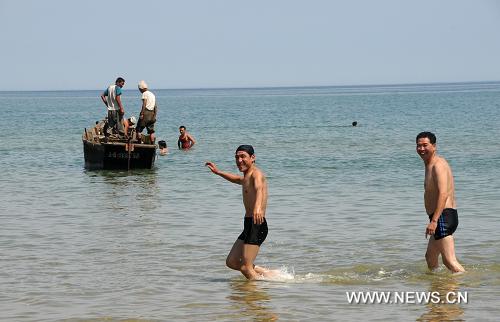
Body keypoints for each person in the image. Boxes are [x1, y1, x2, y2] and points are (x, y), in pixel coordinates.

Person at [205, 145, 273, 280]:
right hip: (248, 224)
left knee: (245, 267)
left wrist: (258, 208)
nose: (239, 160)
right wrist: (218, 172)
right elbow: (237, 179)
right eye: (237, 157)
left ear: (253, 158)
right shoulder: (246, 177)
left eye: (243, 157)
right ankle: (265, 274)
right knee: (232, 262)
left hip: (257, 224)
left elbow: (259, 189)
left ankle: (255, 296)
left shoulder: (256, 174)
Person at [416, 131, 465, 273]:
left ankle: (469, 287)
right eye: (419, 146)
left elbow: (444, 194)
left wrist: (434, 221)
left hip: (443, 216)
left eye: (425, 145)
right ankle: (439, 287)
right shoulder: (429, 165)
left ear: (434, 146)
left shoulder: (438, 165)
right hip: (439, 217)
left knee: (449, 261)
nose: (422, 149)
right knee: (430, 258)